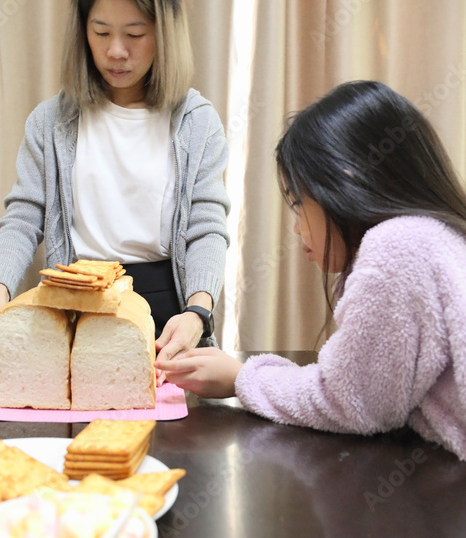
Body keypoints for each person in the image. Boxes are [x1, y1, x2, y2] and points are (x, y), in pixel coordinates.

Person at [156, 80, 466, 461]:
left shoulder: (398, 249)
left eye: (298, 202)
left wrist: (239, 378)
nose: (297, 227)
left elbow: (353, 402)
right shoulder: (436, 237)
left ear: (345, 181)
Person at [0, 0, 230, 373]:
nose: (116, 50)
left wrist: (198, 313)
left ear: (165, 33)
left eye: (135, 34)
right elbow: (22, 219)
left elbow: (207, 228)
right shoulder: (50, 121)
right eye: (101, 32)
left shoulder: (196, 121)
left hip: (168, 315)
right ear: (83, 31)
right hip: (76, 309)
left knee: (172, 440)